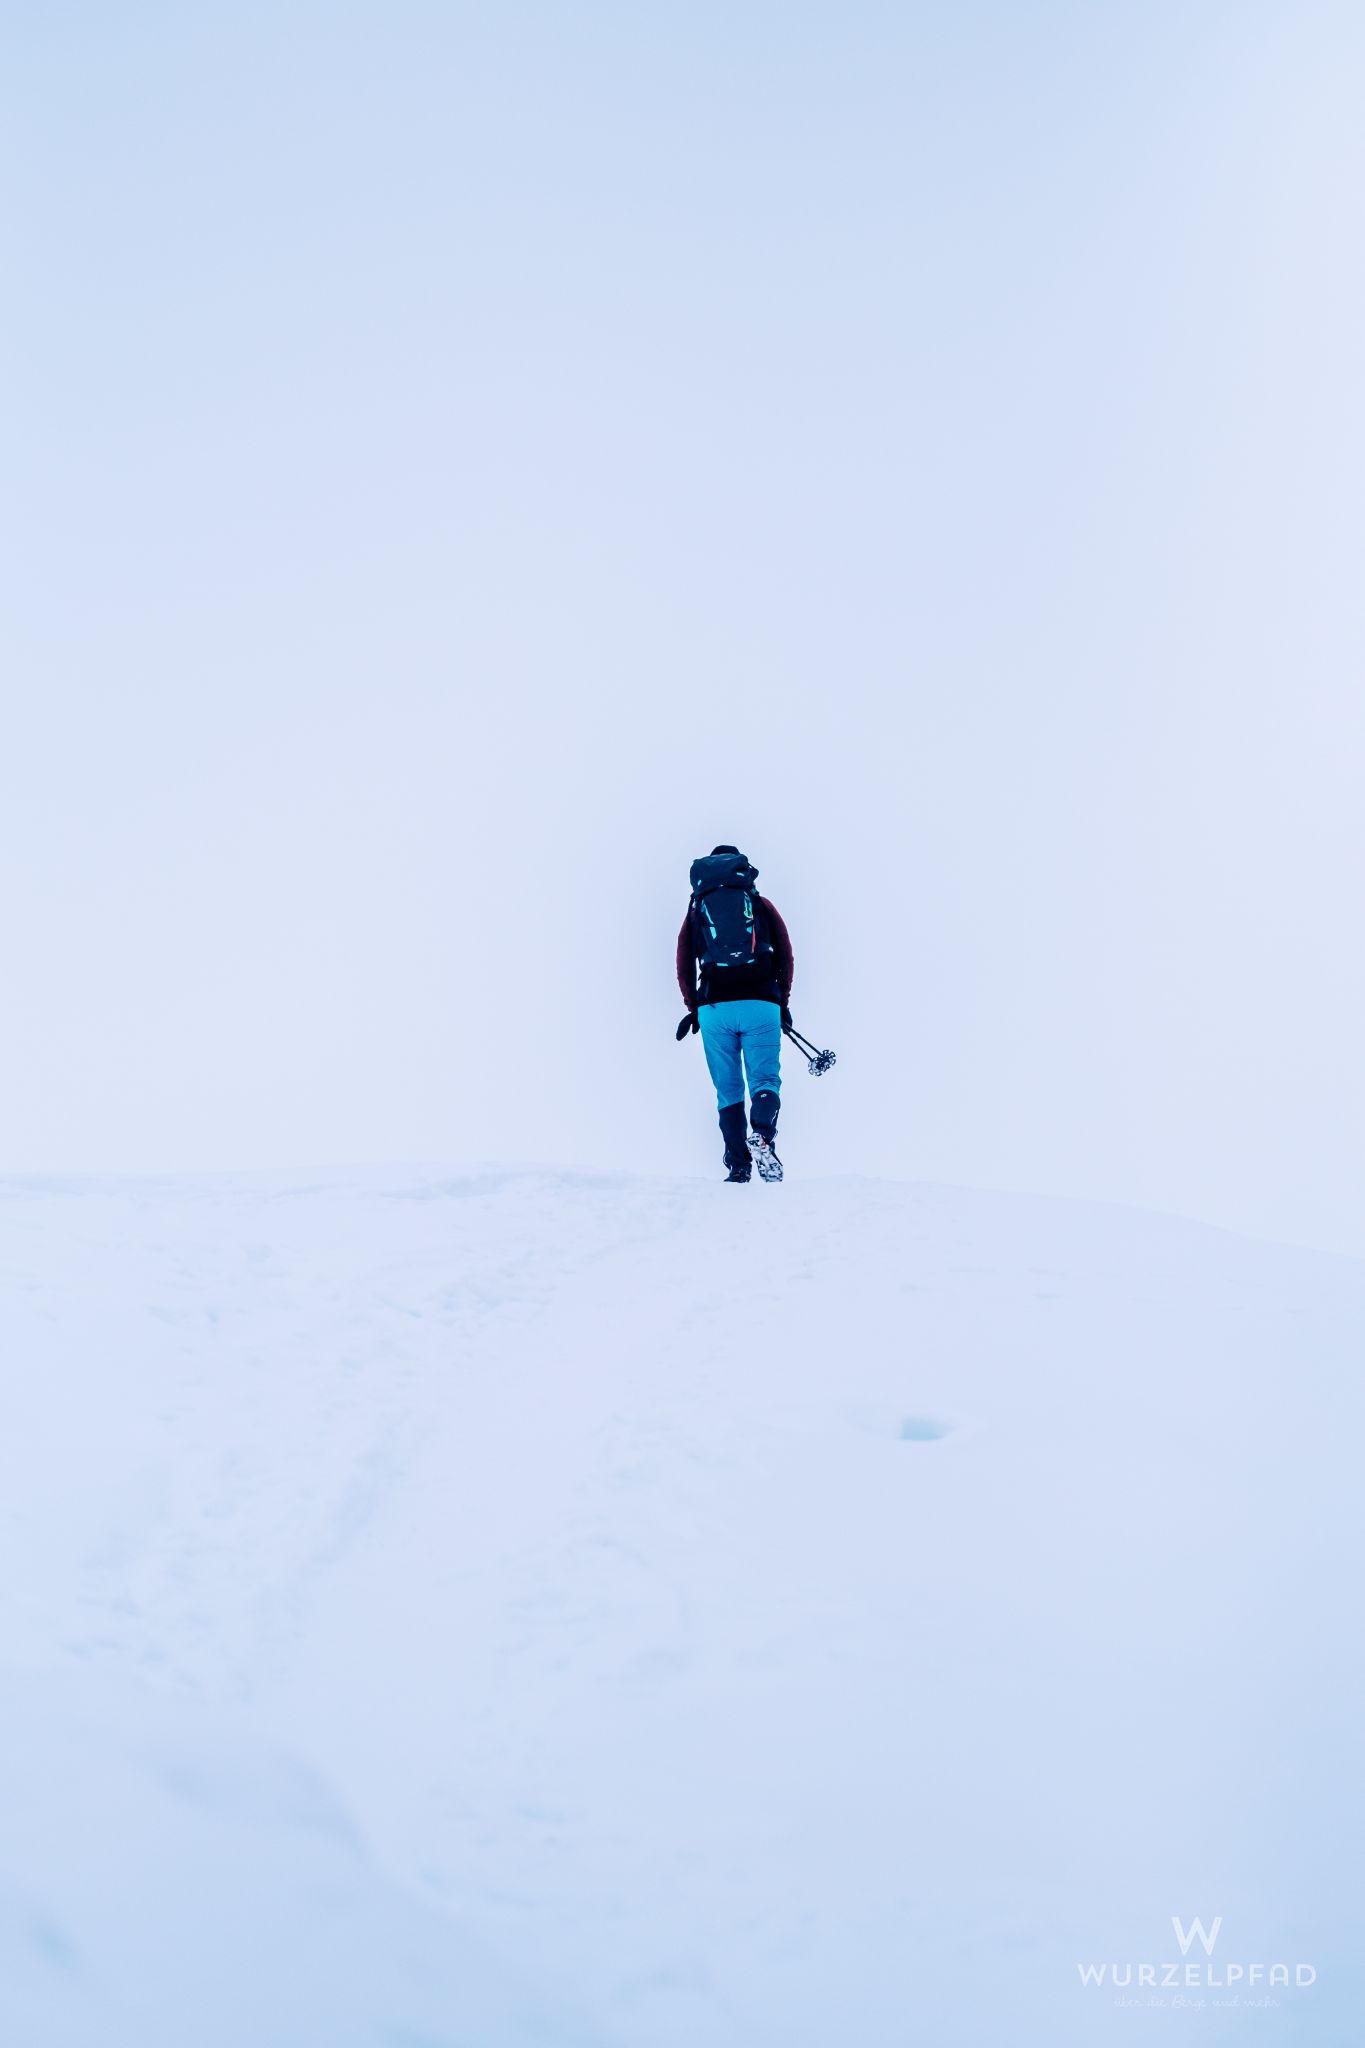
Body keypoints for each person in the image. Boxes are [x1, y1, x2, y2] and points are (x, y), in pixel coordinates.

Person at [676, 845, 794, 1183]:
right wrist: (781, 1003)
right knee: (765, 1080)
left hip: (715, 1009)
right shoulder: (759, 905)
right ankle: (762, 1134)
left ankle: (739, 1165)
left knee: (727, 1089)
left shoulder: (698, 909)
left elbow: (683, 962)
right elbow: (785, 955)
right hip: (761, 1005)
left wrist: (692, 1007)